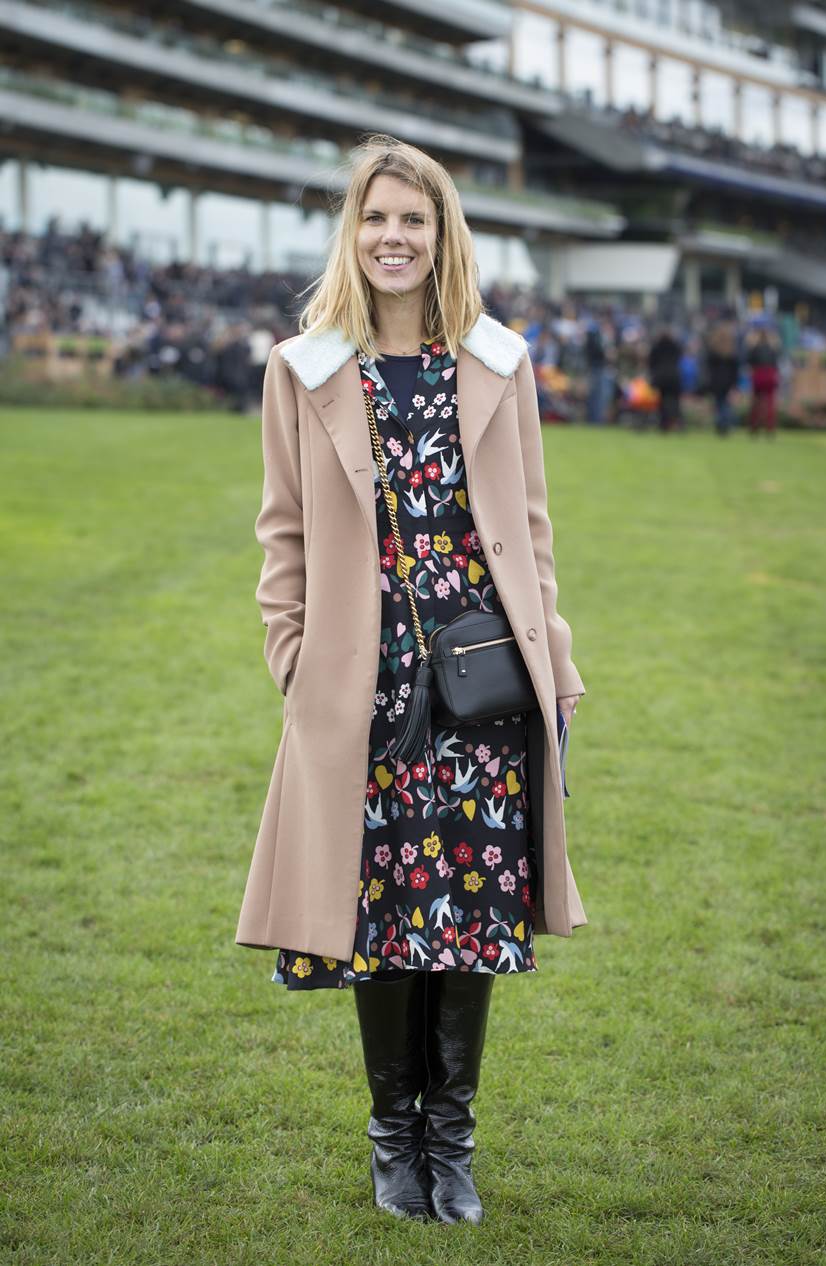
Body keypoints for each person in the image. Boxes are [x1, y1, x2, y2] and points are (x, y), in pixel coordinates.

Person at [235, 136, 588, 1226]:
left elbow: (529, 530)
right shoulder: (307, 366)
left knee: (472, 904)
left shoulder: (497, 361)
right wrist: (293, 657)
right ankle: (396, 1141)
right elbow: (283, 533)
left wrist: (556, 664)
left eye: (414, 221)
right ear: (355, 232)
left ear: (443, 237)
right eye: (376, 219)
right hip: (365, 687)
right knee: (383, 908)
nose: (394, 238)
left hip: (482, 679)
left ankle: (455, 1143)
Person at [705, 315, 741, 437]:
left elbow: (708, 367)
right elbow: (736, 369)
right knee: (725, 404)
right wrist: (735, 383)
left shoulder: (713, 351)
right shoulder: (731, 352)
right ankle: (725, 424)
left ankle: (721, 424)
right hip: (728, 381)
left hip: (716, 381)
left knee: (720, 403)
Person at [648, 324, 683, 432]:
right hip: (674, 377)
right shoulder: (675, 346)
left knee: (662, 401)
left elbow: (651, 362)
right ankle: (676, 423)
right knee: (675, 401)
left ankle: (664, 424)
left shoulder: (657, 347)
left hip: (661, 377)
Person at [747, 327, 780, 437]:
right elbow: (776, 364)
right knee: (770, 403)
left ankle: (754, 427)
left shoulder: (755, 348)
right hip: (770, 375)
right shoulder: (772, 349)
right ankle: (770, 427)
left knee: (756, 402)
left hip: (759, 375)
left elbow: (750, 362)